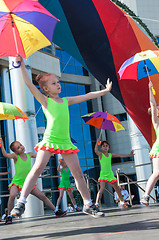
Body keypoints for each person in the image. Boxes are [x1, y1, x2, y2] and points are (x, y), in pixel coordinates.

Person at [11, 54, 112, 218]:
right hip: (50, 140)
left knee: (78, 174)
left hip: (65, 142)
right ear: (45, 89)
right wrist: (21, 65)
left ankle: (88, 204)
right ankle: (21, 202)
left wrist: (105, 91)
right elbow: (29, 84)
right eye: (54, 83)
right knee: (37, 168)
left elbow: (87, 96)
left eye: (58, 82)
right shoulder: (45, 101)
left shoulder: (65, 101)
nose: (58, 85)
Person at [0, 139, 66, 224]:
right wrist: (1, 145)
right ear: (16, 151)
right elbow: (6, 155)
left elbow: (39, 155)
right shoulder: (15, 156)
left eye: (20, 145)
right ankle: (9, 216)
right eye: (18, 147)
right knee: (12, 196)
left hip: (28, 182)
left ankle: (56, 211)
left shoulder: (29, 154)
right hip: (17, 181)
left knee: (42, 196)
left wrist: (49, 153)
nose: (21, 147)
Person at [94, 138, 134, 210]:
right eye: (103, 146)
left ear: (109, 148)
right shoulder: (101, 154)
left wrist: (130, 155)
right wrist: (97, 142)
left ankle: (122, 202)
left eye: (107, 146)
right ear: (101, 147)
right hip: (103, 174)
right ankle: (96, 203)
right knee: (102, 189)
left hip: (110, 174)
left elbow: (119, 155)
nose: (105, 147)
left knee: (117, 188)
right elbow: (96, 151)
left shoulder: (110, 155)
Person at [140, 81, 159, 206]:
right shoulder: (157, 122)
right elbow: (152, 104)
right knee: (157, 173)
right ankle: (145, 196)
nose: (158, 107)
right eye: (157, 107)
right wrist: (150, 89)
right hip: (158, 149)